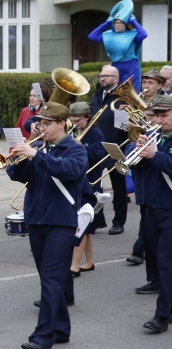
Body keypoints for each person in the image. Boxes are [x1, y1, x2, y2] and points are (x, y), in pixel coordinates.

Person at [7, 102, 87, 349]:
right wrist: (18, 158)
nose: (42, 128)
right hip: (37, 219)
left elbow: (69, 171)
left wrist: (36, 155)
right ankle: (61, 329)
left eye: (47, 123)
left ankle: (42, 336)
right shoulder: (40, 147)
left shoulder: (75, 149)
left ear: (62, 123)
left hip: (61, 222)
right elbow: (18, 176)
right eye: (40, 123)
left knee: (51, 279)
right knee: (50, 278)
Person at [130, 95, 172, 334]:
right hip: (152, 205)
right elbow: (137, 167)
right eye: (157, 115)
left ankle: (162, 314)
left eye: (164, 115)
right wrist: (137, 150)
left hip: (169, 208)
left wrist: (155, 155)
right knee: (158, 258)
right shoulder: (156, 136)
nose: (159, 120)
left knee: (166, 262)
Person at [88, 66, 128, 235]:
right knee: (94, 185)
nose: (102, 78)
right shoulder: (97, 95)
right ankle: (98, 219)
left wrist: (124, 115)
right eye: (101, 75)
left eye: (107, 76)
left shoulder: (122, 97)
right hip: (97, 146)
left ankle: (119, 222)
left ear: (116, 79)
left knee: (118, 188)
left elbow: (124, 128)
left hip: (115, 146)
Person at [69, 102, 107, 275]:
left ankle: (75, 265)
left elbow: (98, 155)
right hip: (75, 182)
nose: (75, 123)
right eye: (72, 119)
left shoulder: (95, 133)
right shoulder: (72, 131)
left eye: (78, 120)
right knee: (86, 227)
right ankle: (89, 261)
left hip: (91, 182)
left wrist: (77, 147)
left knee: (83, 225)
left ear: (87, 118)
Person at [89, 0, 147, 92]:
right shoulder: (109, 35)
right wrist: (107, 22)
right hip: (115, 65)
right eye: (116, 22)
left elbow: (144, 34)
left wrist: (133, 20)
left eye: (120, 23)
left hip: (130, 65)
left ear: (125, 24)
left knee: (131, 91)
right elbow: (92, 36)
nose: (118, 25)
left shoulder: (132, 34)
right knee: (115, 90)